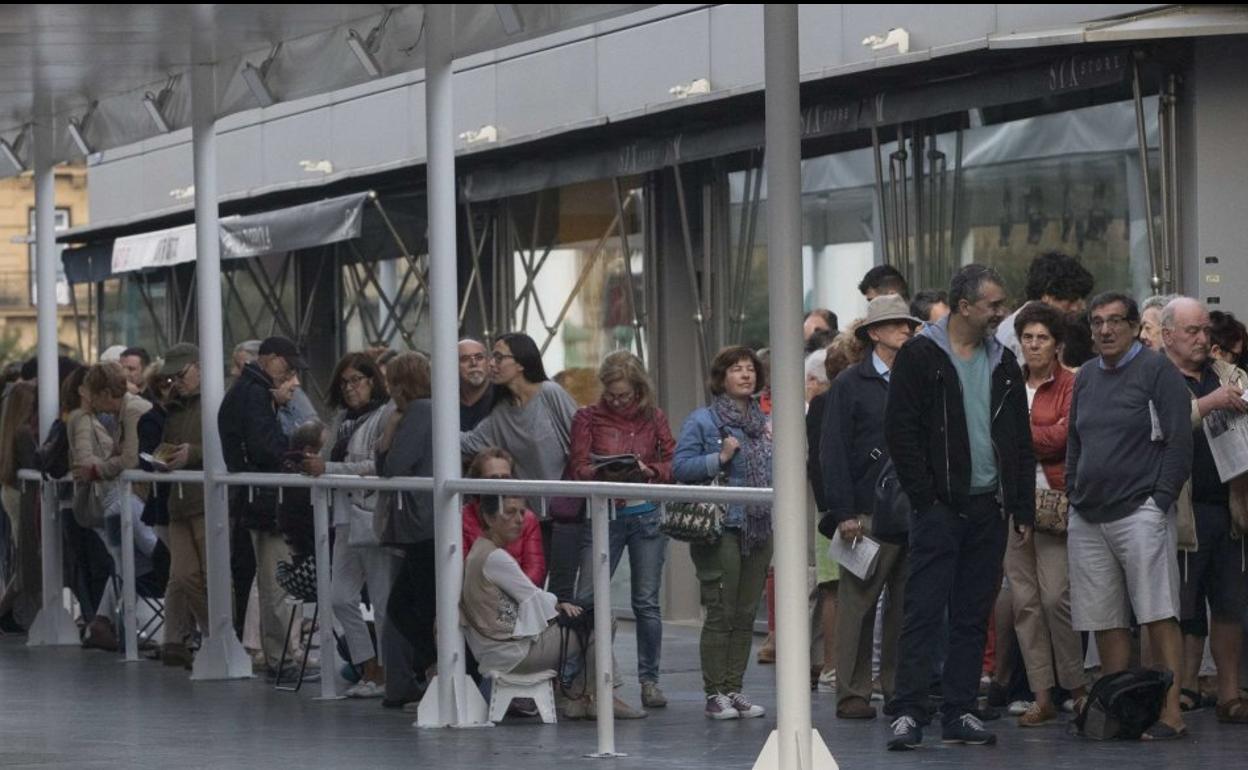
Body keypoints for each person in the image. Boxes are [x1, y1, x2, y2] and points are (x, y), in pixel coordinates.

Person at [884, 264, 1033, 750]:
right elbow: (901, 433)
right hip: (939, 507)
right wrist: (925, 497)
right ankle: (908, 709)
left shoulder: (1003, 361)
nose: (1001, 311)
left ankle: (960, 709)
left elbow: (1019, 438)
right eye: (993, 303)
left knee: (973, 614)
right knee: (924, 609)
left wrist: (1022, 507)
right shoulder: (920, 355)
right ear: (965, 306)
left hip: (988, 506)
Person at [1066, 291, 1193, 740]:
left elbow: (1180, 443)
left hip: (1140, 509)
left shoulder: (1158, 371)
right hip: (1088, 514)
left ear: (1136, 325)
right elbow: (1075, 440)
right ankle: (1117, 710)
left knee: (1158, 614)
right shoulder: (1084, 376)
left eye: (1115, 321)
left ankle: (1171, 712)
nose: (1105, 330)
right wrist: (1071, 490)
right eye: (1097, 322)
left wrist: (1159, 502)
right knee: (1105, 619)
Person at [819, 294, 920, 720]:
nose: (906, 331)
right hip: (865, 513)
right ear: (874, 333)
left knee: (904, 607)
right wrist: (843, 512)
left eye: (908, 324)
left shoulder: (919, 378)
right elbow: (832, 451)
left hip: (913, 510)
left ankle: (896, 687)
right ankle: (853, 692)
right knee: (857, 607)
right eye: (897, 325)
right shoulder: (850, 384)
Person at [569, 351, 674, 713]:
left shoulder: (654, 418)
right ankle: (581, 678)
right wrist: (603, 472)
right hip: (604, 513)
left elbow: (672, 462)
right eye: (611, 394)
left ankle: (650, 680)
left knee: (646, 601)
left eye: (624, 395)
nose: (616, 401)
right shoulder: (588, 417)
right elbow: (578, 465)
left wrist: (650, 470)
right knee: (586, 598)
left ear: (639, 391)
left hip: (644, 512)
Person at [1160, 297, 1248, 722]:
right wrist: (1211, 402)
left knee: (1230, 605)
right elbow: (1162, 427)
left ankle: (1230, 695)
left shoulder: (1228, 373)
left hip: (1228, 508)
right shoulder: (1156, 376)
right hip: (1181, 511)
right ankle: (1173, 696)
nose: (1201, 339)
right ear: (1167, 335)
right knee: (1180, 609)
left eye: (1204, 331)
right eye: (1191, 331)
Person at [674, 345, 774, 721]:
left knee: (747, 613)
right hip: (722, 528)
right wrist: (720, 458)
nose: (746, 375)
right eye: (737, 369)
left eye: (750, 369)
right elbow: (680, 468)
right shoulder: (704, 421)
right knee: (721, 611)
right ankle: (714, 692)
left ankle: (735, 688)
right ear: (721, 378)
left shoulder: (764, 423)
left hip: (760, 525)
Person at [1002, 302, 1087, 726]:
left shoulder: (1071, 383)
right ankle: (1042, 696)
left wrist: (1017, 437)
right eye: (1028, 337)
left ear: (1057, 344)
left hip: (1055, 504)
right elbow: (992, 437)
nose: (1034, 345)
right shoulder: (1007, 382)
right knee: (1024, 603)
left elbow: (1063, 437)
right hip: (1012, 505)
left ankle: (1076, 688)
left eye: (1043, 338)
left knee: (1056, 599)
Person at [302, 352, 398, 699]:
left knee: (384, 599)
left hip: (374, 515)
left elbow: (381, 465)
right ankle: (368, 664)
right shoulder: (341, 418)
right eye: (344, 382)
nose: (350, 387)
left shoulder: (388, 413)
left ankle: (389, 671)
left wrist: (327, 470)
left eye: (357, 379)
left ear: (373, 380)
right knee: (340, 596)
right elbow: (330, 460)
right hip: (345, 516)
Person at [460, 492, 600, 718]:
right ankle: (593, 697)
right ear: (488, 517)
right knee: (600, 624)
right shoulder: (495, 558)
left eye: (522, 513)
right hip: (512, 653)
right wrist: (558, 604)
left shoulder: (479, 549)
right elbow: (534, 597)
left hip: (494, 651)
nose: (519, 520)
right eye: (510, 512)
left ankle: (588, 697)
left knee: (586, 619)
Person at [460, 332, 579, 599]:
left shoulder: (550, 394)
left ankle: (564, 641)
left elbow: (580, 438)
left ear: (522, 363)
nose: (492, 363)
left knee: (562, 596)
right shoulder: (501, 411)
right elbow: (468, 443)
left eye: (499, 357)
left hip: (567, 515)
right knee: (527, 592)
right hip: (529, 518)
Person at [218, 335, 305, 677]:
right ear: (269, 359)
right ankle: (281, 657)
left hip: (251, 497)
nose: (291, 375)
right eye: (287, 365)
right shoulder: (256, 395)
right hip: (268, 499)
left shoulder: (242, 391)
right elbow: (266, 448)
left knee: (266, 582)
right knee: (276, 583)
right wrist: (294, 450)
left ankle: (276, 655)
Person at [69, 362, 159, 652]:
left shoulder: (131, 412)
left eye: (94, 394)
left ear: (105, 393)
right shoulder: (127, 412)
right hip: (124, 502)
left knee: (128, 561)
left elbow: (129, 459)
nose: (90, 401)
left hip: (125, 502)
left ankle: (105, 622)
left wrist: (96, 471)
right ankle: (108, 623)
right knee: (127, 562)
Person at [373, 352, 437, 708]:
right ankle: (422, 671)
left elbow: (392, 465)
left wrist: (390, 433)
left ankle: (425, 668)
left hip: (419, 522)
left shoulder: (417, 413)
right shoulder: (432, 410)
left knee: (404, 605)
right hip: (425, 521)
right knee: (415, 601)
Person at [151, 344, 211, 670]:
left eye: (181, 373)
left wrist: (194, 454)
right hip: (180, 501)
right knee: (187, 575)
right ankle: (213, 631)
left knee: (205, 574)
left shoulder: (212, 403)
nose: (176, 381)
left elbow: (221, 447)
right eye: (173, 376)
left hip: (201, 500)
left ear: (199, 367)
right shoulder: (174, 409)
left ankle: (215, 633)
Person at [461, 449, 545, 586]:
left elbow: (535, 570)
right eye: (493, 478)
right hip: (479, 595)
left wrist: (513, 593)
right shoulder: (462, 519)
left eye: (506, 478)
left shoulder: (527, 518)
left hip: (519, 597)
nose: (500, 484)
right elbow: (463, 570)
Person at [995, 251, 1094, 360]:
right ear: (1048, 296)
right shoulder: (1016, 334)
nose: (1080, 307)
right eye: (1072, 300)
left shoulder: (1062, 330)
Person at [0, 382, 39, 630]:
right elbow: (37, 463)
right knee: (27, 560)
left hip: (10, 492)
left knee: (21, 556)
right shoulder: (25, 433)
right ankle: (5, 608)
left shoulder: (8, 430)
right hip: (22, 496)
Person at [459, 338, 499, 431]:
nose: (474, 363)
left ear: (489, 362)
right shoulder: (446, 402)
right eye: (465, 359)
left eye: (479, 357)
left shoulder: (502, 397)